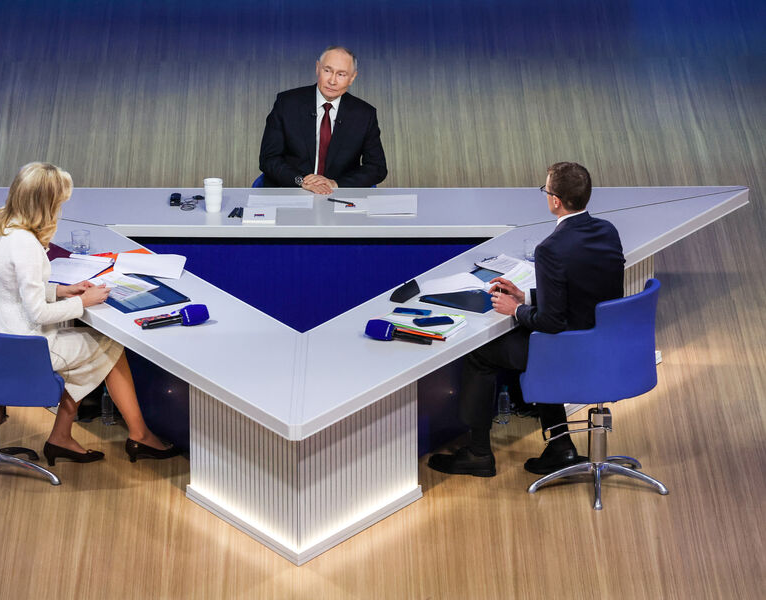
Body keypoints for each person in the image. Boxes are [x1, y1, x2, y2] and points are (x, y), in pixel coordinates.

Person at [428, 162, 625, 477]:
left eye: (546, 190)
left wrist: (514, 309)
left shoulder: (551, 248)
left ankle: (478, 454)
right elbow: (585, 290)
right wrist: (527, 296)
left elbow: (551, 323)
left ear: (555, 201)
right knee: (532, 346)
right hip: (604, 343)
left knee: (481, 354)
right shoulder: (607, 230)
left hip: (569, 350)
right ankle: (560, 447)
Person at [0, 162, 178, 465]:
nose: (60, 209)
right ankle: (139, 434)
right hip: (27, 346)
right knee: (111, 346)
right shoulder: (26, 244)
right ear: (45, 203)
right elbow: (37, 313)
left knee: (92, 353)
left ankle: (63, 437)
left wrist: (62, 290)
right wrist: (84, 302)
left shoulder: (0, 225)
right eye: (59, 202)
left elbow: (11, 290)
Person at [258, 46, 387, 194]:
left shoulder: (364, 114)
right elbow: (269, 159)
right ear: (317, 68)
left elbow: (377, 168)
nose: (332, 81)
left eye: (341, 74)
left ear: (352, 78)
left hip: (337, 194)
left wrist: (335, 184)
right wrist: (301, 181)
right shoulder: (287, 103)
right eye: (327, 71)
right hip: (292, 190)